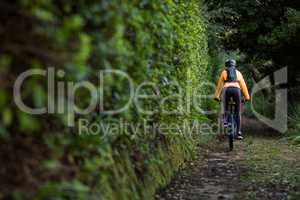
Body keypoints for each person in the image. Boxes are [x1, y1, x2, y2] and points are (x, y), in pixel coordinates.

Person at [214, 59, 250, 140]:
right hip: (236, 90)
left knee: (225, 107)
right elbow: (243, 86)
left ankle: (226, 122)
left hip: (227, 90)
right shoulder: (238, 73)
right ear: (234, 65)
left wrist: (216, 96)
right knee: (237, 112)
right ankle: (238, 133)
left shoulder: (224, 72)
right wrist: (247, 97)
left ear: (226, 65)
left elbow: (220, 85)